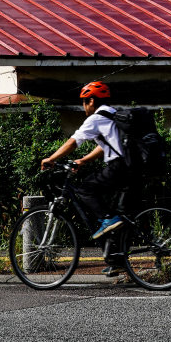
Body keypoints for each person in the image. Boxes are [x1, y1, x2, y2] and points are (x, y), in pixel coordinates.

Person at [40, 81, 134, 274]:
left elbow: (74, 142)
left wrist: (51, 158)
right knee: (118, 216)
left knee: (85, 190)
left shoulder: (96, 118)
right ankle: (117, 260)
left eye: (84, 101)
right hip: (130, 166)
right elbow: (105, 145)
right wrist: (84, 160)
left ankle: (108, 220)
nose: (83, 106)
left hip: (119, 166)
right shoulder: (113, 114)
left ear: (92, 100)